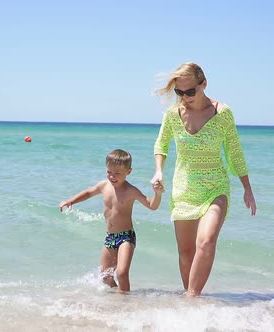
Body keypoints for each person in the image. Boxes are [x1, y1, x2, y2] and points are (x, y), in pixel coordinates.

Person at [150, 62, 257, 297]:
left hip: (215, 188)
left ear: (204, 84)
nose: (185, 97)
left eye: (190, 91)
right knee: (186, 253)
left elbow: (234, 151)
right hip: (184, 190)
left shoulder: (223, 113)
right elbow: (161, 144)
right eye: (180, 92)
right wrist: (159, 171)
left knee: (206, 241)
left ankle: (190, 300)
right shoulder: (172, 115)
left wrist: (247, 188)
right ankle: (193, 307)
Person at [59, 149, 164, 292]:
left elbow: (152, 206)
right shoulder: (104, 186)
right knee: (105, 276)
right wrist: (71, 201)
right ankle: (119, 296)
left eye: (117, 173)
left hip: (126, 237)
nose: (112, 176)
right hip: (110, 237)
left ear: (129, 171)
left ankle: (124, 301)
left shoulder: (131, 191)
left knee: (121, 273)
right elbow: (89, 192)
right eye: (109, 172)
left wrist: (157, 194)